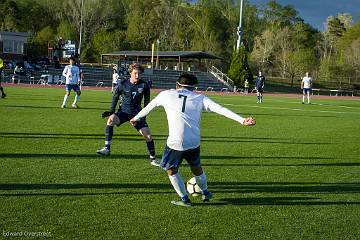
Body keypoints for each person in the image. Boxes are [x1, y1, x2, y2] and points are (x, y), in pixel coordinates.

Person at [130, 73, 256, 207]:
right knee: (197, 168)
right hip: (194, 141)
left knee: (171, 170)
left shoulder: (166, 94)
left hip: (176, 142)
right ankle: (206, 192)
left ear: (177, 84)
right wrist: (242, 120)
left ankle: (185, 199)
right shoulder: (200, 98)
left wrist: (136, 118)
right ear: (194, 87)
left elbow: (150, 107)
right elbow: (220, 109)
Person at [97, 63, 159, 167]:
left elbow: (147, 103)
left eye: (139, 73)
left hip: (137, 115)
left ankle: (153, 159)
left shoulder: (144, 85)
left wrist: (142, 117)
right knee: (110, 120)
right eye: (135, 73)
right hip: (123, 112)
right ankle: (107, 148)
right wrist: (111, 111)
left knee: (147, 135)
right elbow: (115, 97)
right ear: (130, 73)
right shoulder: (122, 84)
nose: (137, 75)